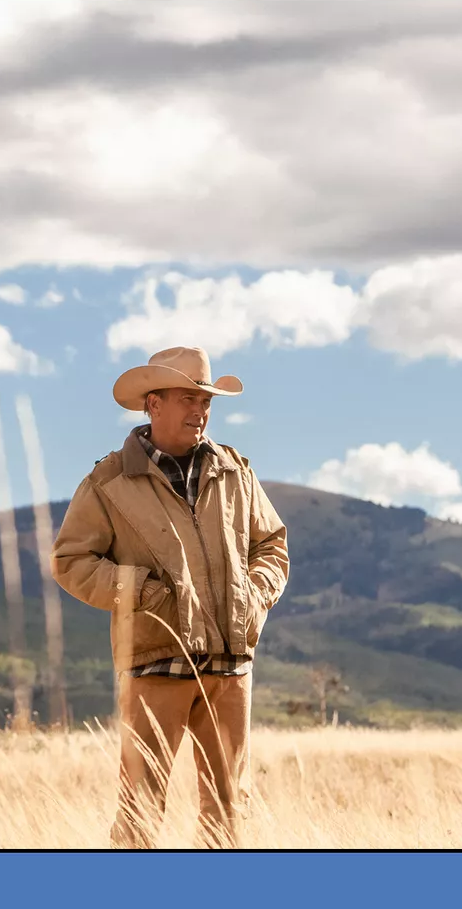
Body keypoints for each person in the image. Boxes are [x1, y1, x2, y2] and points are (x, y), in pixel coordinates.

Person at [51, 346, 289, 849]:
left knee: (228, 811)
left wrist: (253, 596)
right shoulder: (109, 481)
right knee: (140, 809)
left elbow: (271, 544)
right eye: (187, 398)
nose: (199, 410)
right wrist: (143, 593)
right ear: (152, 404)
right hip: (155, 662)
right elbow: (70, 561)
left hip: (231, 668)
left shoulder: (236, 472)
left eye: (205, 401)